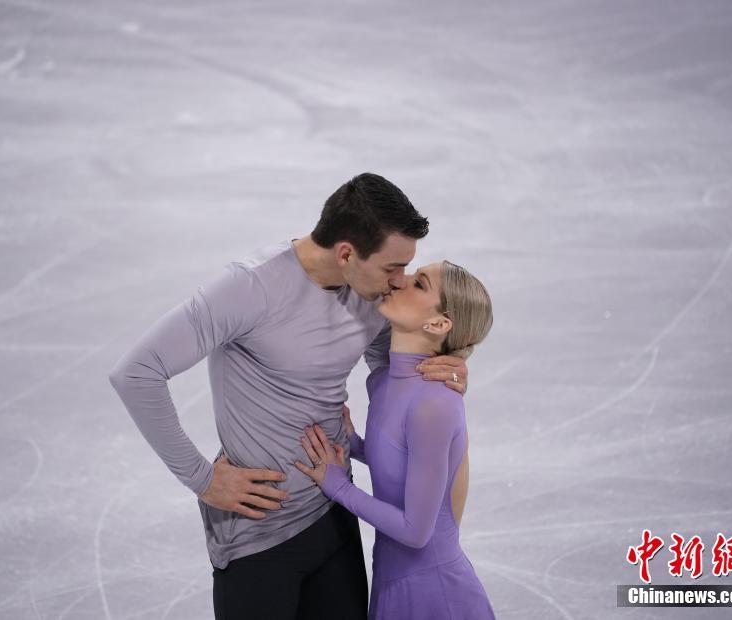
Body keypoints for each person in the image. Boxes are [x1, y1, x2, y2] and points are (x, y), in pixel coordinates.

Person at [107, 173, 472, 620]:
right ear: (346, 253)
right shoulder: (250, 288)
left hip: (335, 514)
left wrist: (443, 370)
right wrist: (202, 479)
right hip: (257, 536)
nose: (399, 282)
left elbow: (393, 371)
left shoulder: (371, 297)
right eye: (391, 268)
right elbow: (136, 372)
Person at [295, 259, 496, 620]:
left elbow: (416, 530)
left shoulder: (435, 404)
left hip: (436, 594)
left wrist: (337, 486)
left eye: (419, 283)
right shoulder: (383, 383)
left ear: (438, 324)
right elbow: (400, 458)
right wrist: (352, 442)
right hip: (390, 583)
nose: (401, 280)